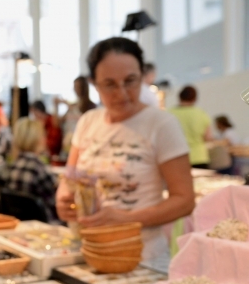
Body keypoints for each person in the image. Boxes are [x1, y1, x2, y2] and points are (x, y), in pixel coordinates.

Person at [56, 37, 194, 270]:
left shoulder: (161, 125)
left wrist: (127, 218)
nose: (121, 93)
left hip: (141, 258)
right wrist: (63, 198)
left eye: (130, 81)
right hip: (88, 252)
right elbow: (70, 177)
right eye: (109, 84)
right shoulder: (89, 121)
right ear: (94, 84)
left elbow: (184, 201)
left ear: (142, 76)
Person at [5, 117, 57, 222]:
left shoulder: (9, 167)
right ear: (38, 139)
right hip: (46, 226)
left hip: (18, 223)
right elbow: (56, 204)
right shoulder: (40, 170)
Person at [168, 85, 213, 169]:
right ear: (195, 98)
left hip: (176, 157)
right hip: (199, 157)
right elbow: (208, 137)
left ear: (179, 97)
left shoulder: (169, 113)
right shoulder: (201, 114)